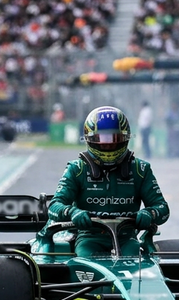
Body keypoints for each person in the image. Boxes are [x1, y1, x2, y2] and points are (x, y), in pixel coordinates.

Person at [36, 106, 170, 258]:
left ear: (125, 139)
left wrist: (149, 213)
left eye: (114, 140)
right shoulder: (77, 169)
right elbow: (54, 206)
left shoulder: (140, 169)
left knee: (135, 261)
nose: (108, 145)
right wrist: (72, 212)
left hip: (127, 239)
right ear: (90, 139)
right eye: (103, 140)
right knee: (84, 260)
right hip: (89, 239)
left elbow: (163, 209)